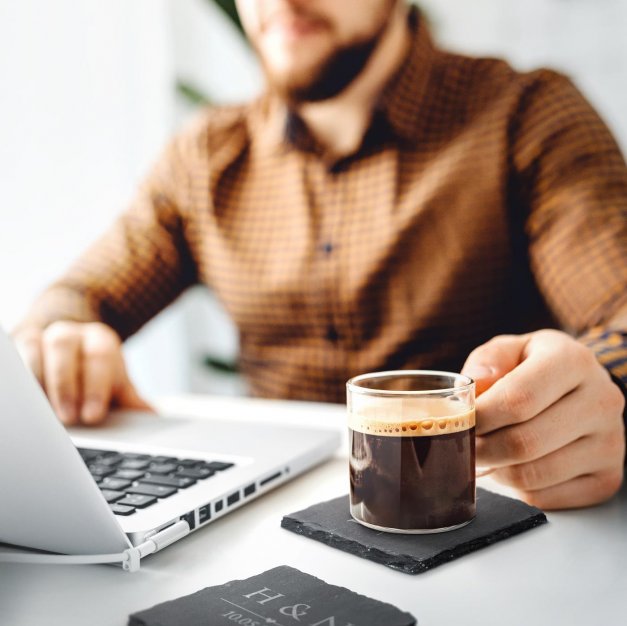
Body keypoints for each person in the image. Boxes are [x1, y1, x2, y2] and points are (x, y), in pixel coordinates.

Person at [14, 0, 626, 510]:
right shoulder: (203, 157)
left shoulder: (527, 116)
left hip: (476, 524)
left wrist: (592, 387)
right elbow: (79, 296)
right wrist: (57, 334)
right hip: (260, 534)